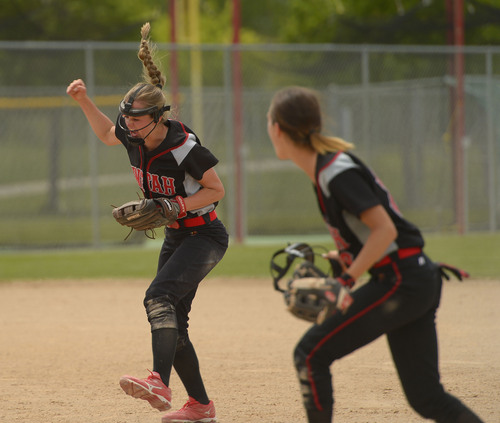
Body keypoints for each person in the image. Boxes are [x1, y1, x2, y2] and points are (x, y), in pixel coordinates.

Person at [266, 86, 484, 423]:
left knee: (309, 355)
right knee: (427, 398)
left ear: (277, 128)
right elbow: (377, 235)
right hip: (411, 278)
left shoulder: (335, 173)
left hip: (403, 281)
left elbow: (386, 230)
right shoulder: (326, 171)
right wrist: (347, 259)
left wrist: (345, 281)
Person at [67, 23, 227, 423]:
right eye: (128, 120)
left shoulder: (183, 146)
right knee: (174, 321)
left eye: (137, 121)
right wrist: (84, 100)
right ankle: (201, 407)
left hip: (205, 234)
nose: (130, 128)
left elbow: (216, 190)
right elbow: (107, 133)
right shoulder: (134, 134)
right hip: (177, 236)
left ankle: (159, 380)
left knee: (158, 297)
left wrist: (177, 205)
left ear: (158, 117)